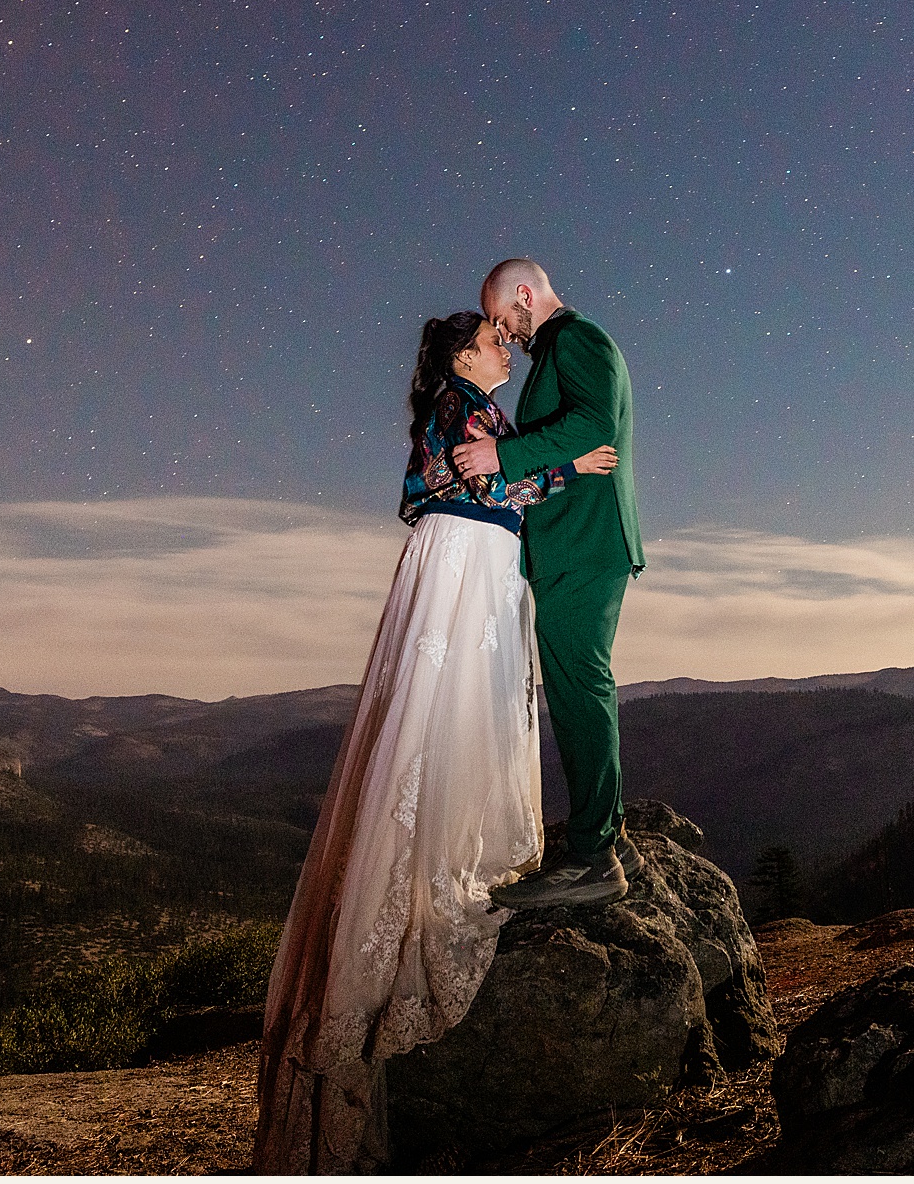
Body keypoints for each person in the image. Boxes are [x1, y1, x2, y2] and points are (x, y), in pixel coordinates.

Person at [254, 310, 617, 1175]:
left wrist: (549, 467)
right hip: (464, 562)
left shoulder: (474, 409)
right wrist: (568, 463)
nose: (508, 347)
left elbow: (494, 481)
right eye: (496, 338)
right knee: (447, 706)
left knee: (467, 706)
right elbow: (485, 488)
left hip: (476, 563)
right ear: (463, 353)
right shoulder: (461, 410)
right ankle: (430, 874)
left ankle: (457, 849)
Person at [449, 258, 644, 911]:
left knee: (579, 689)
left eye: (504, 315)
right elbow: (577, 437)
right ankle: (607, 832)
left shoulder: (579, 339)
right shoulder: (561, 348)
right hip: (575, 543)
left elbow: (595, 425)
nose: (504, 331)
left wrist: (502, 455)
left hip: (584, 544)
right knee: (581, 686)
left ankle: (595, 858)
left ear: (525, 295)